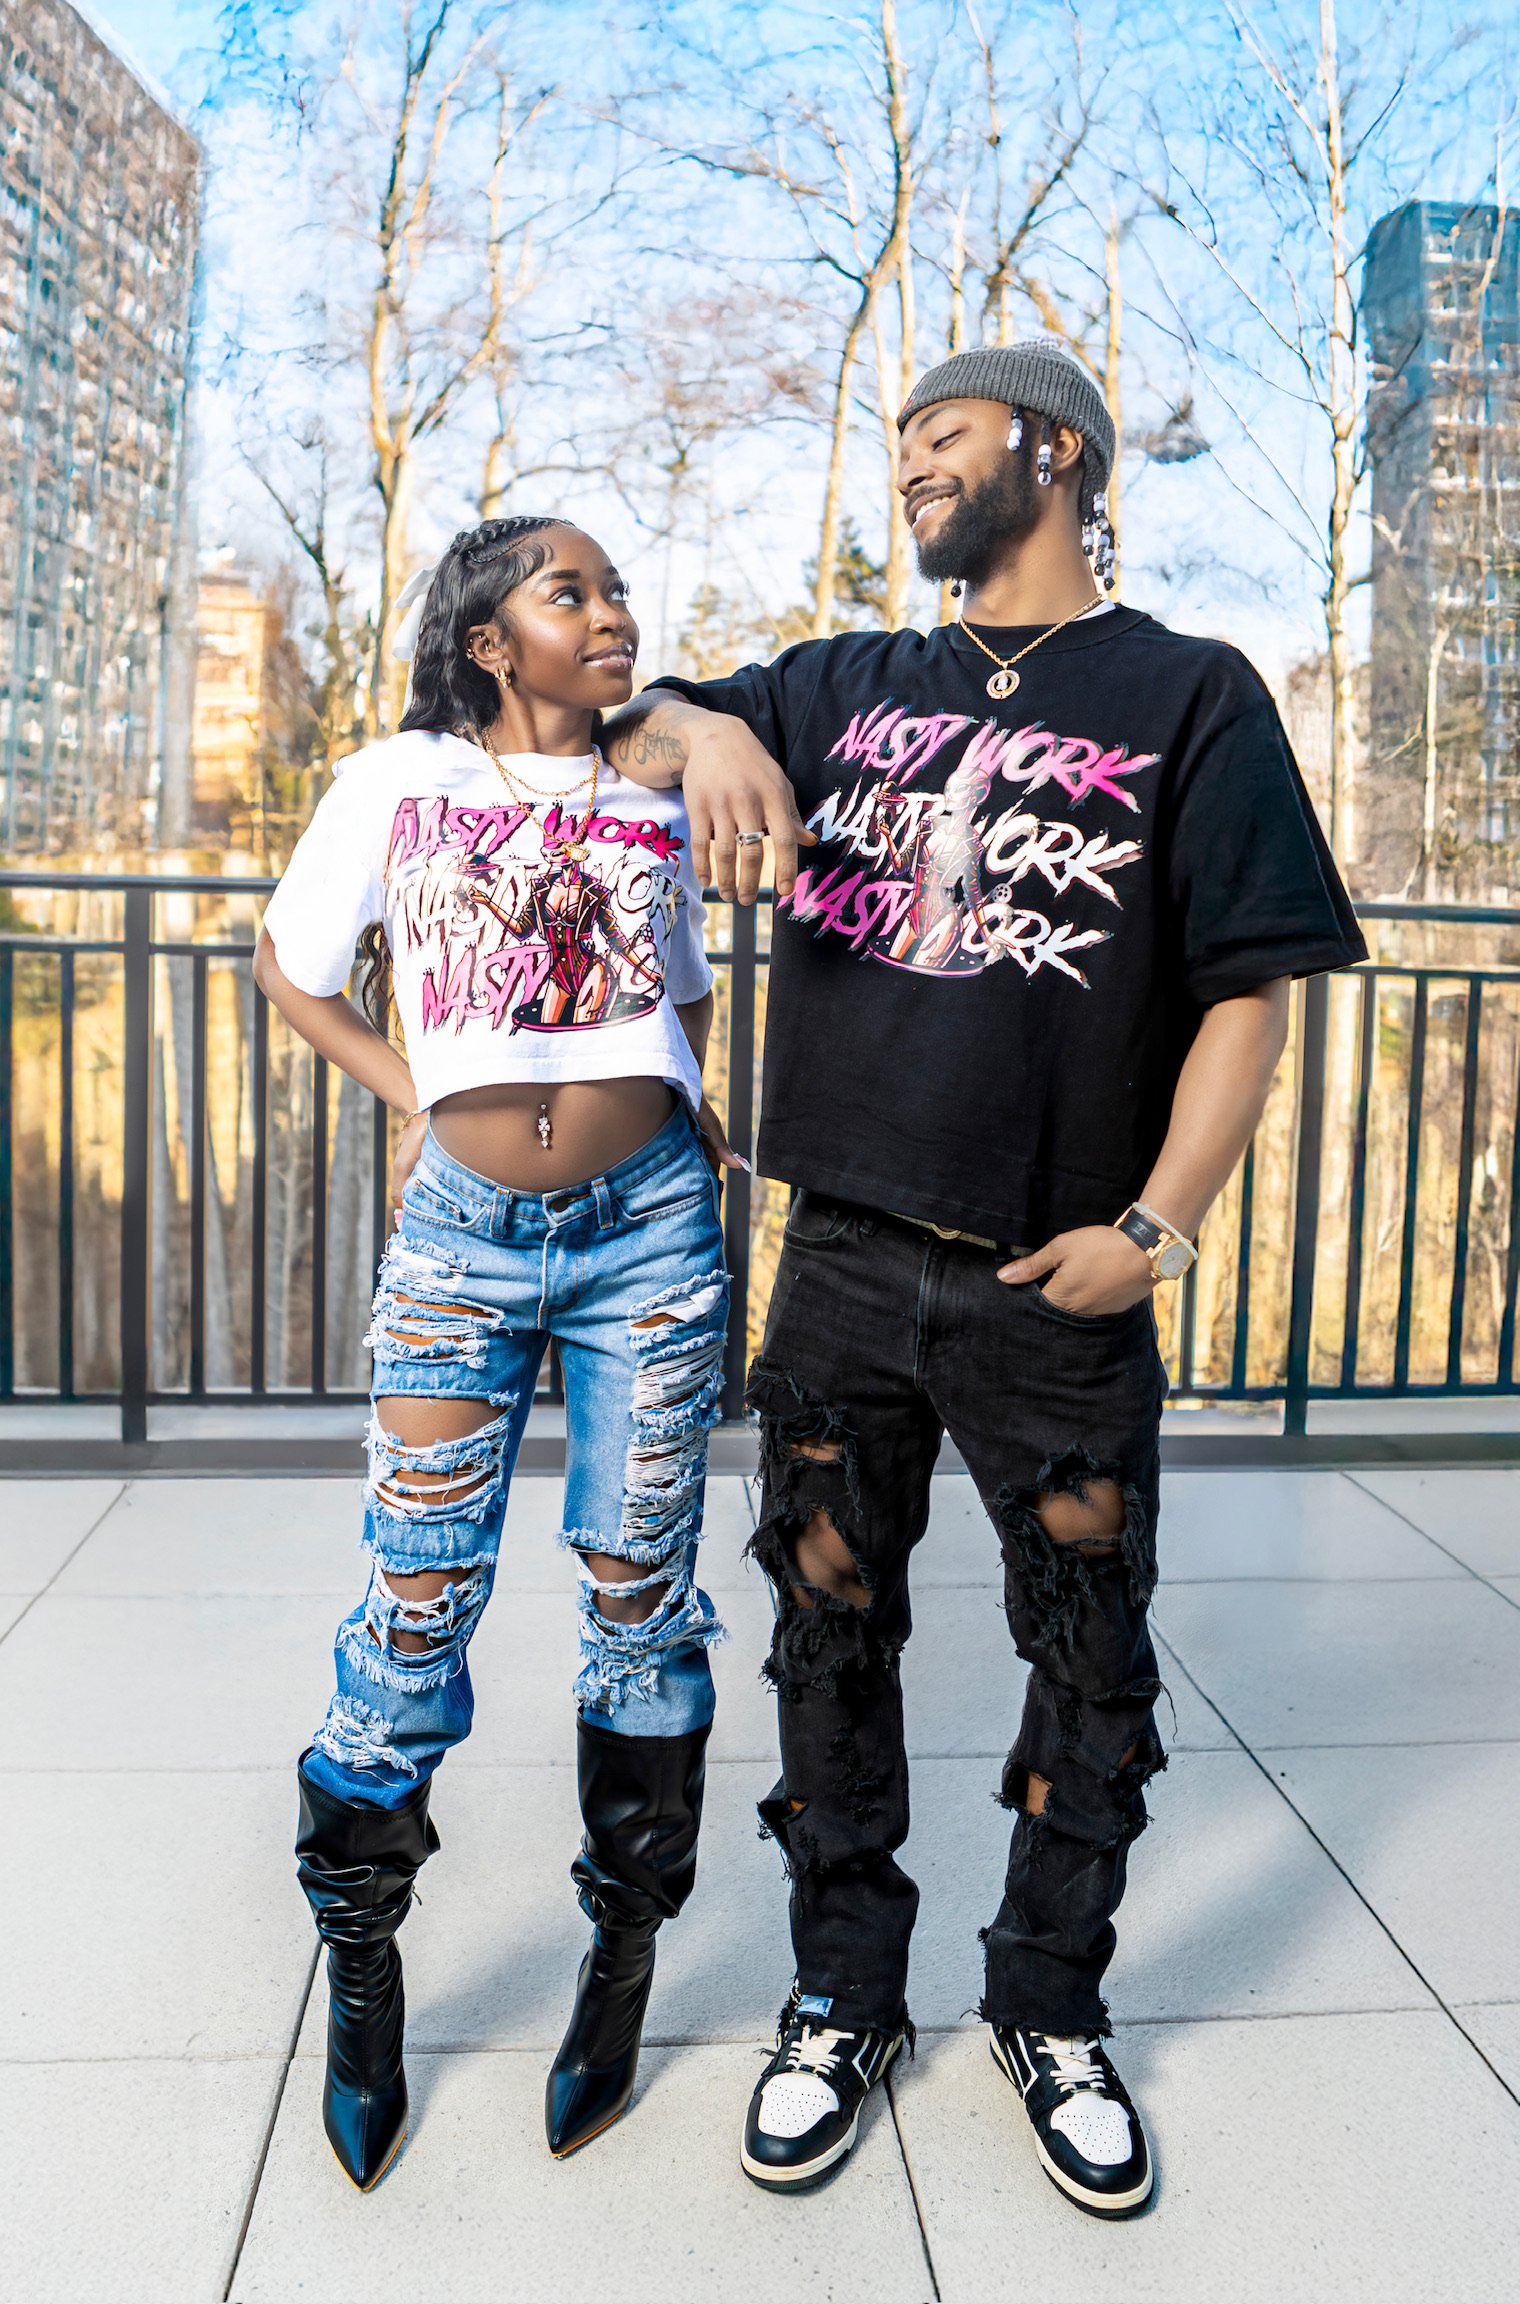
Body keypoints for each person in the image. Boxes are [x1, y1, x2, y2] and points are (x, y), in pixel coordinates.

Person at [603, 336, 1366, 2217]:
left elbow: (1248, 998)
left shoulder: (1192, 695)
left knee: (1090, 1661)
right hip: (843, 1260)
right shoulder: (843, 682)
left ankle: (1049, 2004)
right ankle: (842, 1991)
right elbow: (637, 726)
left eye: (943, 435)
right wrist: (702, 729)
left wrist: (1158, 1231)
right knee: (827, 1634)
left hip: (1057, 1286)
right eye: (900, 444)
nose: (913, 468)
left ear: (1057, 448)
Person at [255, 515, 738, 2189]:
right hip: (464, 1239)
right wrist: (417, 1100)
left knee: (638, 1596)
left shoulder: (656, 791)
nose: (613, 614)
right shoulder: (395, 781)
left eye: (616, 590)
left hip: (653, 1238)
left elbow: (679, 996)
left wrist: (700, 1101)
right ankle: (366, 1971)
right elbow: (292, 970)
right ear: (488, 639)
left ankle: (620, 1956)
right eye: (572, 593)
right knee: (415, 1598)